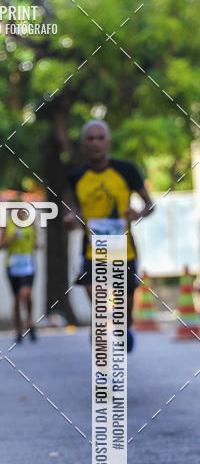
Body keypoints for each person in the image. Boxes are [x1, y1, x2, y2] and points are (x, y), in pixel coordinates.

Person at [64, 120, 154, 352]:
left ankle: (125, 325)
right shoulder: (76, 176)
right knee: (99, 310)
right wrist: (71, 218)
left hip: (124, 250)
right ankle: (102, 369)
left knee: (124, 311)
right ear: (84, 143)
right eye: (90, 138)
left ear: (108, 142)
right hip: (92, 250)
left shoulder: (127, 170)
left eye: (100, 138)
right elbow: (75, 209)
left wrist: (138, 213)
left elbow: (150, 205)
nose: (95, 143)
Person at [0, 205, 39, 343]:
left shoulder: (31, 223)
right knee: (16, 298)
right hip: (13, 266)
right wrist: (11, 239)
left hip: (28, 265)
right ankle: (18, 330)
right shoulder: (7, 224)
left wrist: (37, 244)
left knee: (26, 293)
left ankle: (29, 320)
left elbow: (36, 242)